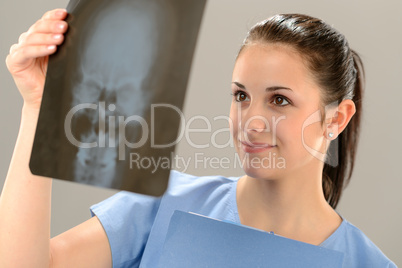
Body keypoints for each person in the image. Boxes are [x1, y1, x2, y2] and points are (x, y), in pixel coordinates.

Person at [0, 8, 396, 268]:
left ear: (336, 119)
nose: (251, 122)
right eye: (241, 96)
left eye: (279, 100)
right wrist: (38, 108)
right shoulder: (161, 204)